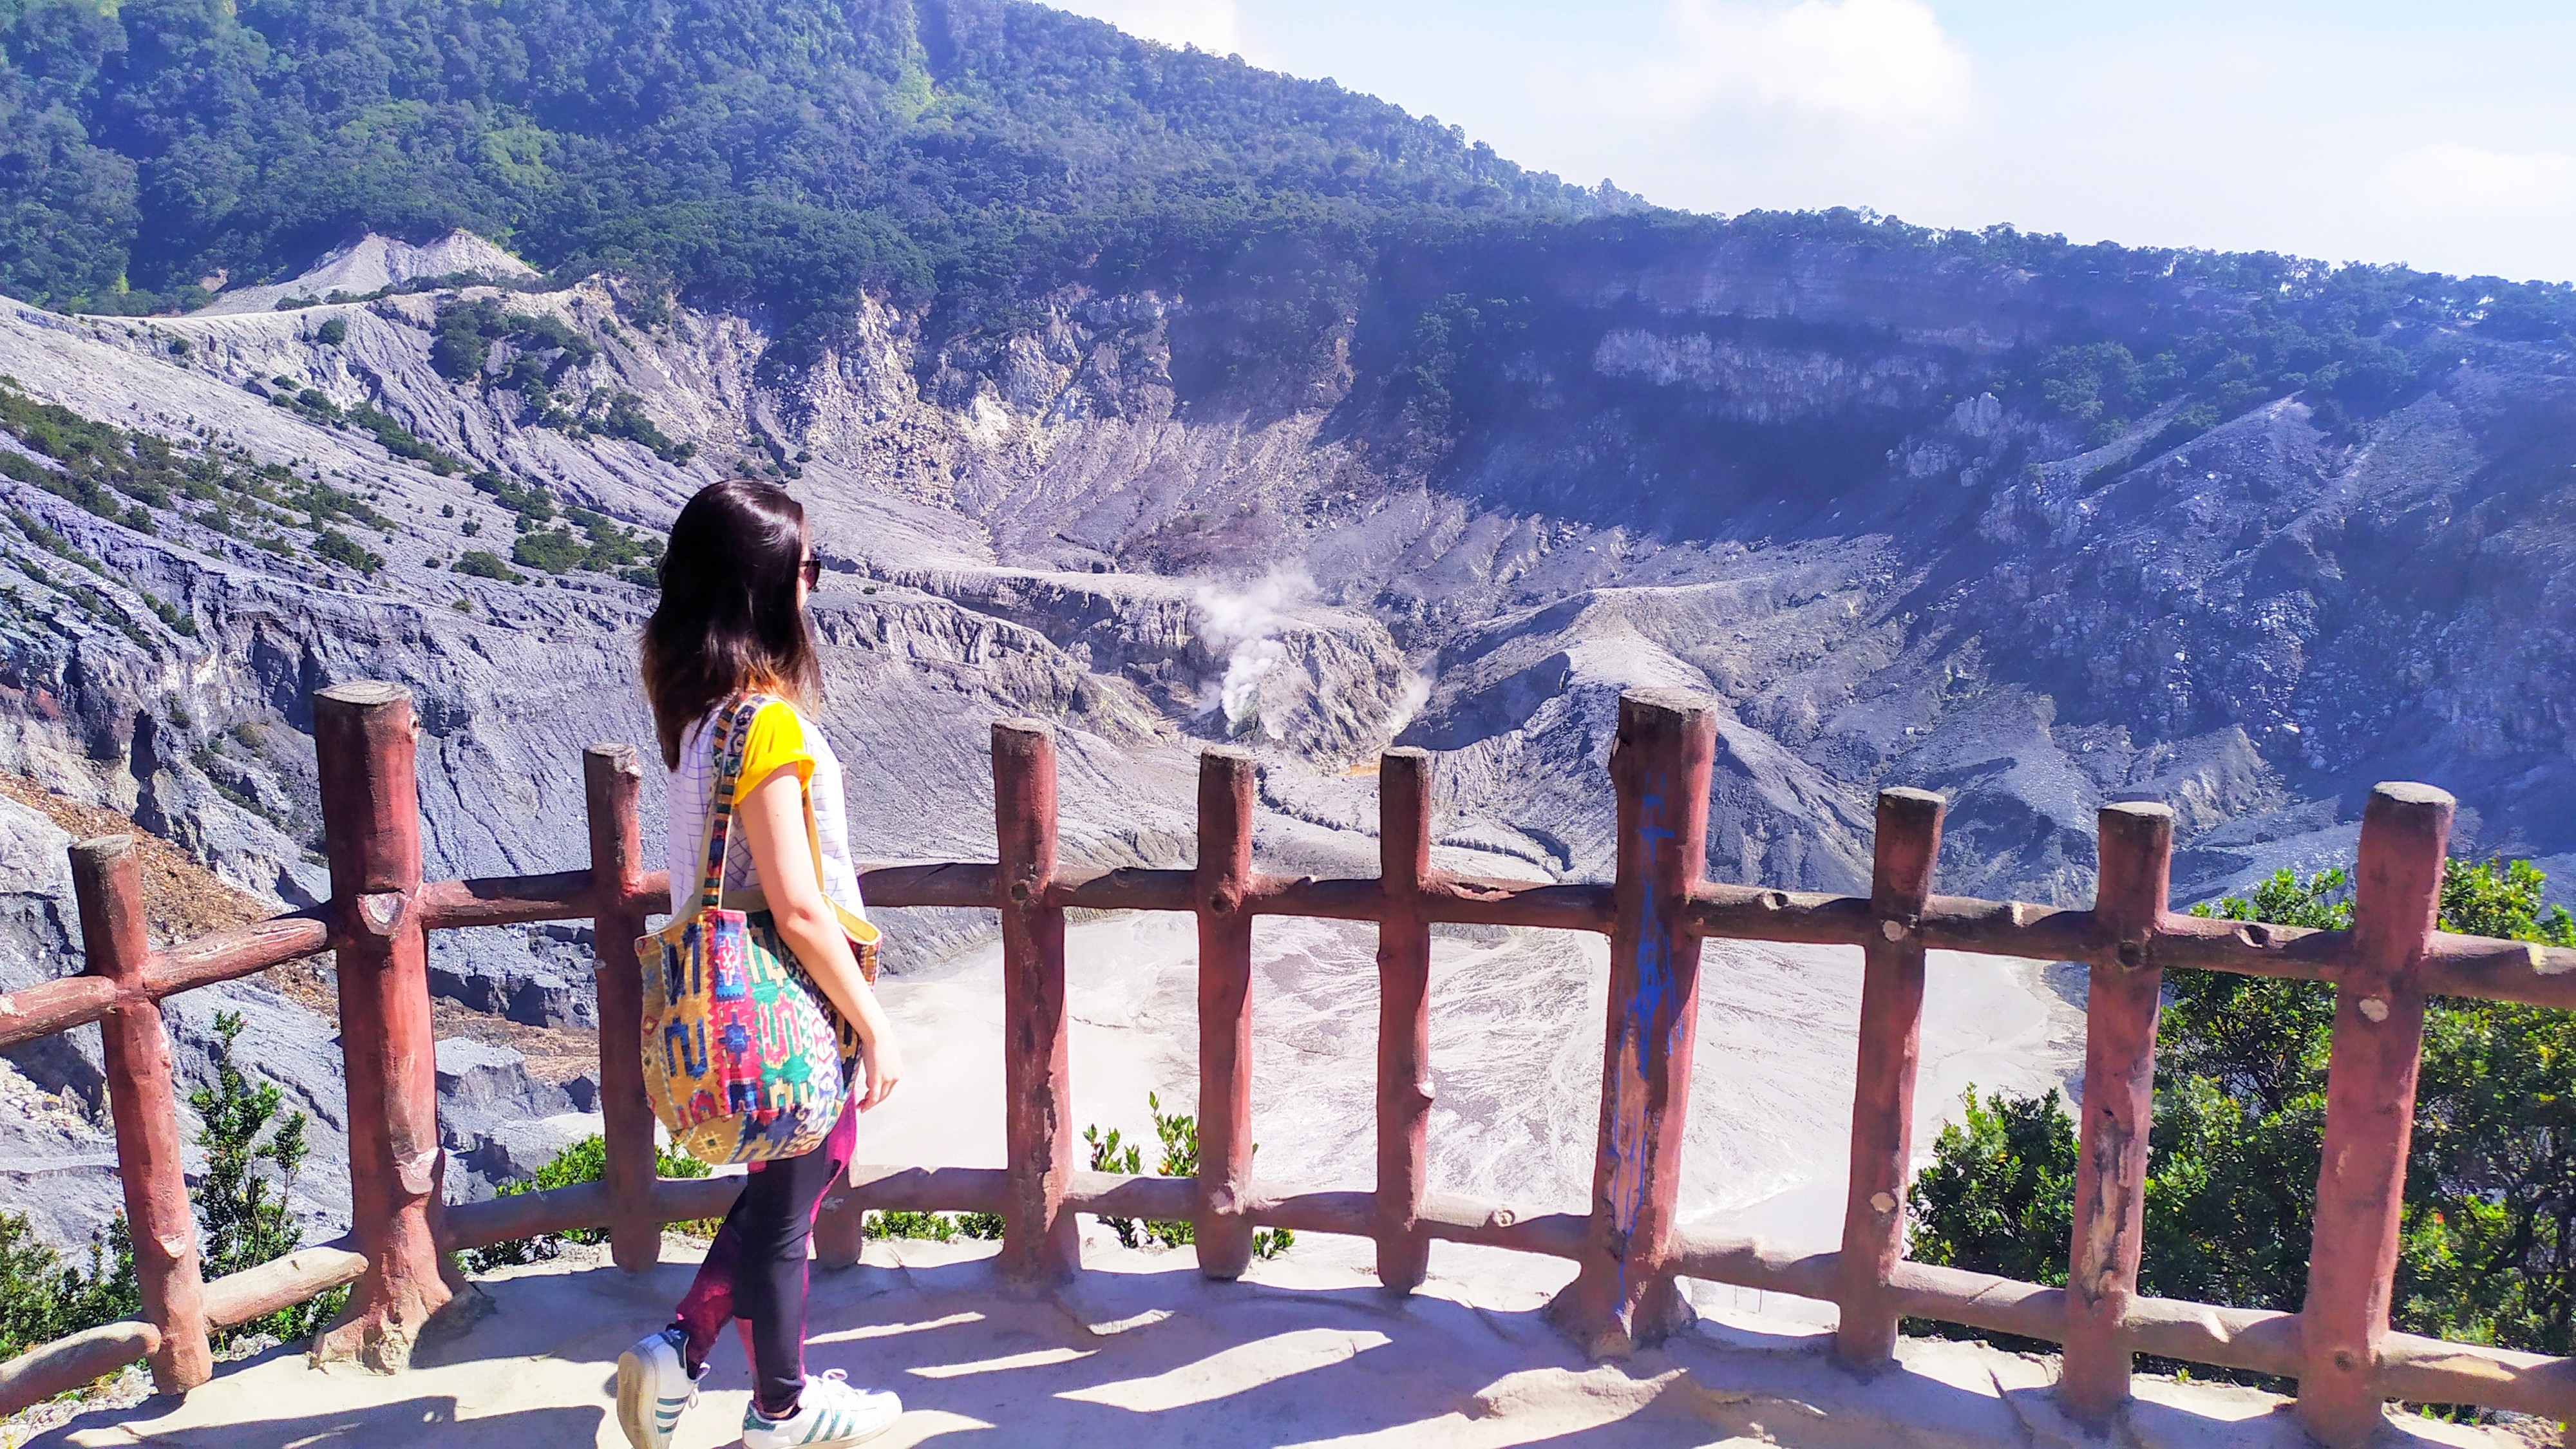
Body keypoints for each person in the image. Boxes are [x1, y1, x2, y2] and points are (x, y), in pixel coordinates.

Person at [614, 479, 907, 1449]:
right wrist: (872, 1019)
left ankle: (682, 1353)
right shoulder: (765, 722)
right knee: (793, 1203)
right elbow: (796, 903)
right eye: (807, 567)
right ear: (765, 585)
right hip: (788, 1004)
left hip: (735, 1005)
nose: (815, 584)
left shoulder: (701, 722)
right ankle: (779, 1409)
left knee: (782, 1193)